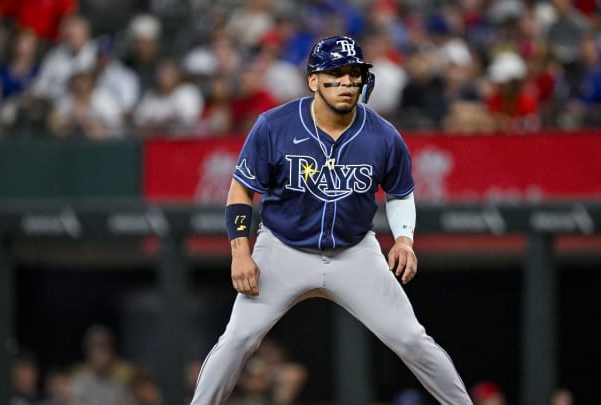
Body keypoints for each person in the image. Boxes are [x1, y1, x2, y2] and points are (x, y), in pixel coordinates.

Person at [189, 35, 471, 405]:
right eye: (335, 74)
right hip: (283, 249)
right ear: (313, 81)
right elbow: (241, 191)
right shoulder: (275, 126)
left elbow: (400, 192)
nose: (347, 82)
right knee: (238, 340)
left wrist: (404, 238)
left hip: (354, 252)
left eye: (353, 73)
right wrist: (240, 254)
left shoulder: (383, 135)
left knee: (411, 339)